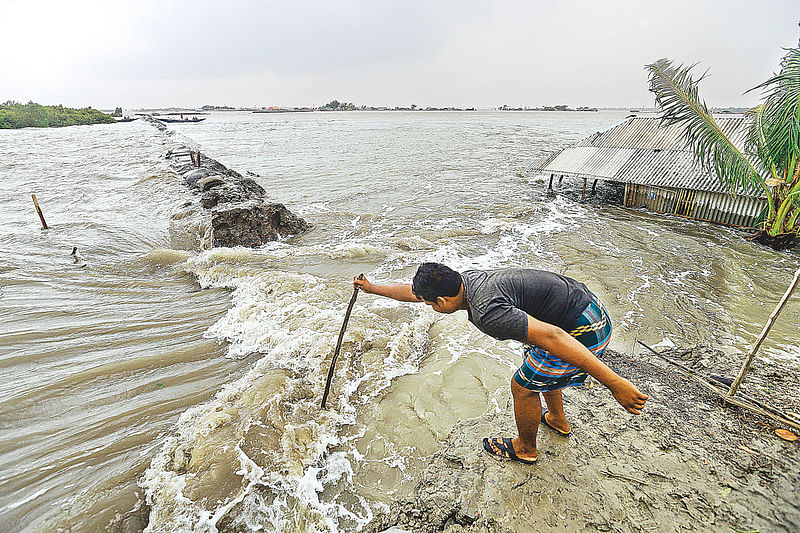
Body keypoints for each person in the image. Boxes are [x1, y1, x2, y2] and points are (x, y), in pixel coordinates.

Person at [354, 263, 648, 464]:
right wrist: (372, 288)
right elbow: (414, 292)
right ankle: (557, 419)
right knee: (534, 364)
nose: (429, 306)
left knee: (521, 387)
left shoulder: (488, 313)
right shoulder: (465, 280)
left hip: (584, 329)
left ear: (441, 302)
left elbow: (554, 337)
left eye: (430, 303)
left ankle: (526, 449)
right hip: (588, 307)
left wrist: (615, 384)